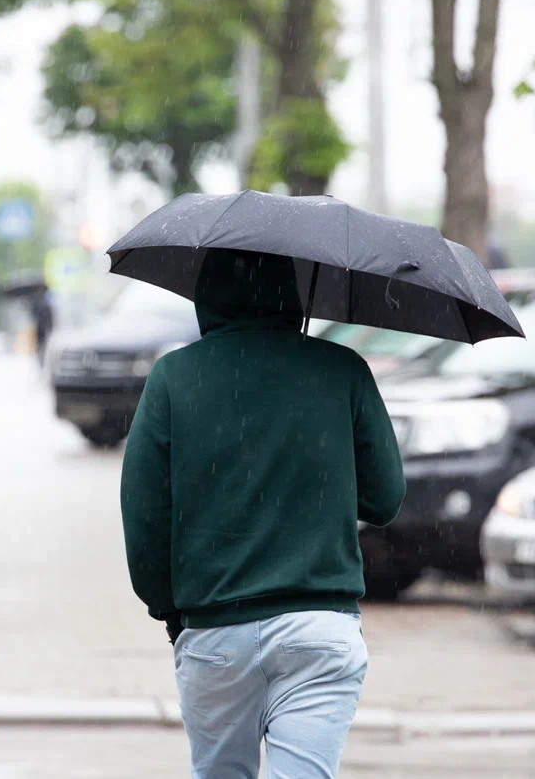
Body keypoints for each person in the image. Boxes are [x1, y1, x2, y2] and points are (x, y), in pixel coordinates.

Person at [120, 250, 405, 779]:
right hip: (318, 628)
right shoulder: (342, 369)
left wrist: (173, 613)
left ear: (205, 297)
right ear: (291, 294)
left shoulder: (174, 377)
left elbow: (144, 518)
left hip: (213, 633)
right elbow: (385, 498)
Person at [28, 287, 54, 367]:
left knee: (41, 347)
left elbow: (33, 316)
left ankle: (41, 362)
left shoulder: (37, 302)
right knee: (42, 347)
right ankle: (42, 362)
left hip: (40, 328)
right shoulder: (44, 303)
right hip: (42, 329)